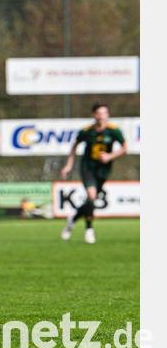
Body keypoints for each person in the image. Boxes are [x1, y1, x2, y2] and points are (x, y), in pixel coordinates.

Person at [59, 103, 127, 244]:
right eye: (100, 113)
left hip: (103, 170)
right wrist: (68, 165)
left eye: (105, 113)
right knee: (91, 195)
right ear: (94, 115)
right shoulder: (87, 131)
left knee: (91, 201)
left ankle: (72, 219)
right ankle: (89, 230)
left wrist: (110, 156)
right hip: (88, 167)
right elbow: (74, 146)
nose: (102, 116)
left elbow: (124, 148)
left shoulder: (114, 131)